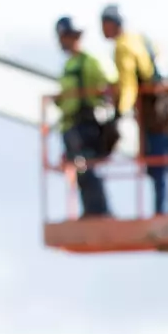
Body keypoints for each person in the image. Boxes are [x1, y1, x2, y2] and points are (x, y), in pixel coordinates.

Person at [100, 3, 168, 215]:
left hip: (156, 112)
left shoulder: (123, 46)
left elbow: (128, 85)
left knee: (159, 164)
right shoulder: (141, 39)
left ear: (111, 24)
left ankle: (162, 212)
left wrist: (119, 113)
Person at [54, 16, 112, 218]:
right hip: (71, 126)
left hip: (85, 124)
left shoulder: (88, 61)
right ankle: (91, 211)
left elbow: (108, 84)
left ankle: (99, 212)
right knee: (81, 171)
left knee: (87, 168)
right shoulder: (70, 65)